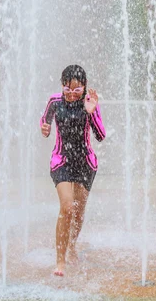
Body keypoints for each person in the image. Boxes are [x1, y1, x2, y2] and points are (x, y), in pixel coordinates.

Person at [40, 65, 105, 277]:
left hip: (85, 163)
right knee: (67, 207)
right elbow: (44, 121)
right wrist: (44, 128)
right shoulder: (55, 101)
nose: (71, 94)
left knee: (78, 211)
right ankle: (60, 261)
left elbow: (101, 135)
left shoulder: (89, 103)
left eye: (76, 90)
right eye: (67, 89)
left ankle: (72, 246)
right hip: (62, 160)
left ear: (84, 88)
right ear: (62, 86)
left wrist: (92, 112)